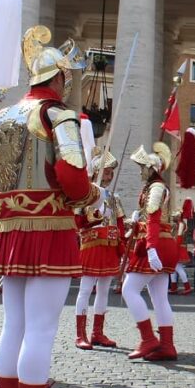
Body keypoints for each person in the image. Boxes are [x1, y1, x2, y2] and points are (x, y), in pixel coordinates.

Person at [0, 22, 97, 388]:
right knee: (42, 328)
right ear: (58, 78)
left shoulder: (2, 116)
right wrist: (92, 195)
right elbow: (72, 177)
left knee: (13, 325)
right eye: (67, 78)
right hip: (50, 227)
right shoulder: (58, 114)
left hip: (9, 228)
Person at [122, 143, 179, 361]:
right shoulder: (155, 187)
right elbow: (151, 218)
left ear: (151, 168)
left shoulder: (156, 188)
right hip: (163, 243)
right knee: (159, 298)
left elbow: (154, 219)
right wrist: (136, 220)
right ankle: (167, 345)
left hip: (154, 244)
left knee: (129, 290)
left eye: (143, 167)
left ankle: (148, 339)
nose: (140, 171)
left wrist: (151, 248)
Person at [74, 147, 125, 350]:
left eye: (111, 173)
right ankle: (80, 334)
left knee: (103, 290)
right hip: (91, 246)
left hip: (109, 247)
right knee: (85, 289)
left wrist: (121, 243)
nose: (110, 176)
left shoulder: (114, 197)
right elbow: (77, 221)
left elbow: (119, 223)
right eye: (106, 171)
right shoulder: (86, 194)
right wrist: (93, 216)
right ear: (97, 171)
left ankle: (97, 332)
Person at [169, 209, 193, 296]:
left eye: (174, 216)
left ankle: (187, 287)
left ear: (178, 216)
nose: (173, 217)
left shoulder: (181, 224)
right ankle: (174, 287)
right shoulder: (177, 225)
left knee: (178, 268)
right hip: (176, 247)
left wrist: (174, 246)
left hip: (179, 247)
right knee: (173, 269)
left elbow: (179, 237)